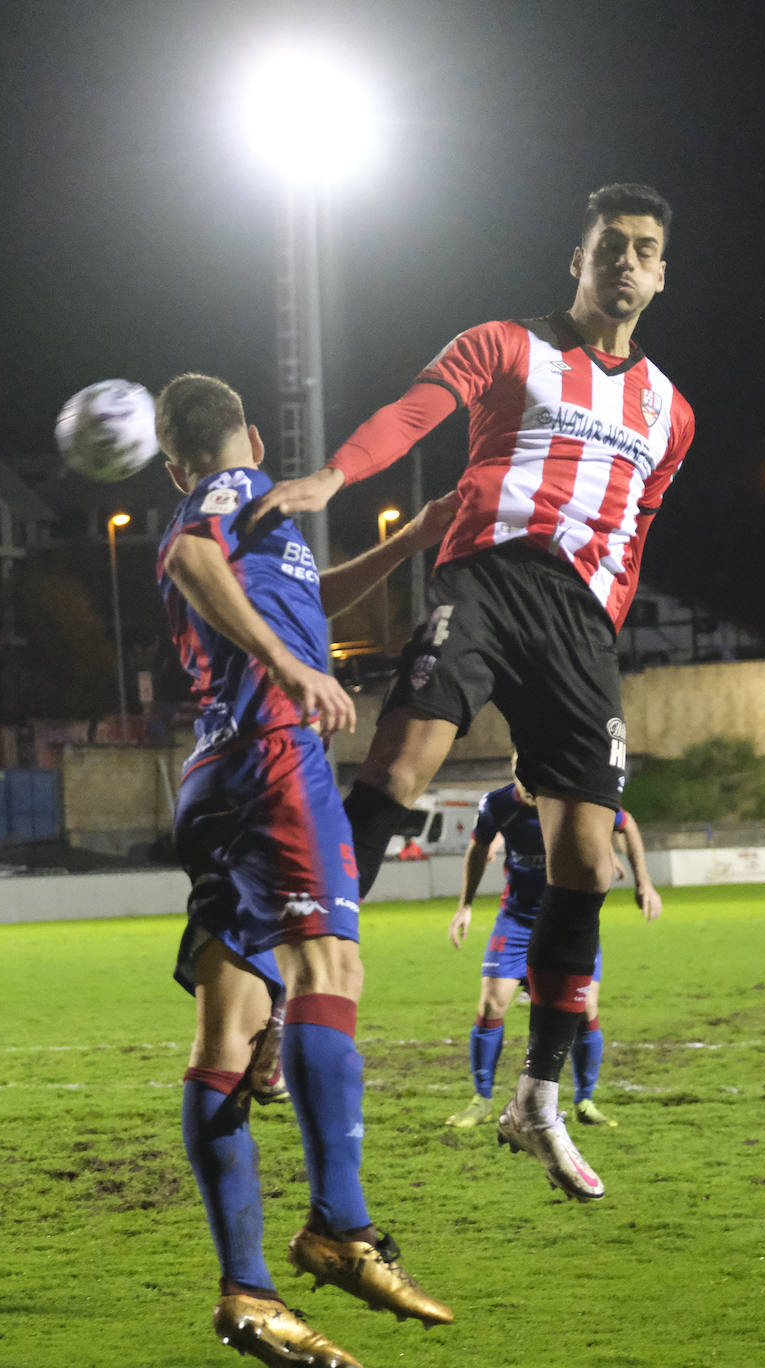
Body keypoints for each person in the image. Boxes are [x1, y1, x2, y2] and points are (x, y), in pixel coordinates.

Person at [246, 183, 694, 1201]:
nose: (626, 261)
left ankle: (537, 1101)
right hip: (488, 577)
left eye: (645, 249)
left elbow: (640, 520)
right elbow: (414, 412)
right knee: (403, 768)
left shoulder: (672, 412)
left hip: (581, 626)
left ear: (662, 275)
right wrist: (331, 481)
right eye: (610, 245)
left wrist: (606, 619)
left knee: (585, 853)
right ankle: (286, 996)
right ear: (575, 259)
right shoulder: (503, 344)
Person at [155, 373, 456, 1366]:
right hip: (273, 750)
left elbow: (303, 603)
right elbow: (193, 553)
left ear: (168, 456)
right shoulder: (234, 493)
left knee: (229, 1025)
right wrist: (287, 670)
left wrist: (407, 542)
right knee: (331, 973)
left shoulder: (254, 527)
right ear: (244, 436)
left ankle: (247, 1294)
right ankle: (341, 1224)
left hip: (216, 771)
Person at [444, 766, 661, 1130]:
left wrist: (645, 883)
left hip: (568, 919)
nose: (529, 786)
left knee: (585, 1008)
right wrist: (465, 905)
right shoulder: (498, 804)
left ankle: (585, 1101)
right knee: (491, 1003)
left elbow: (625, 822)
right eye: (521, 777)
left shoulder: (573, 796)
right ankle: (481, 1099)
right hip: (516, 920)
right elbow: (480, 846)